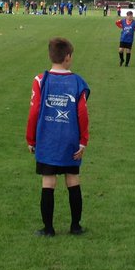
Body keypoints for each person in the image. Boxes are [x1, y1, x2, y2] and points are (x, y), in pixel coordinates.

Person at [25, 37, 90, 236]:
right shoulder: (78, 82)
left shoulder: (40, 80)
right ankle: (75, 226)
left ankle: (49, 228)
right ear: (68, 57)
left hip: (47, 140)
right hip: (70, 141)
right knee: (73, 179)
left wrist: (31, 139)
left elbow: (34, 111)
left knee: (48, 181)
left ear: (50, 56)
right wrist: (83, 141)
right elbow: (82, 113)